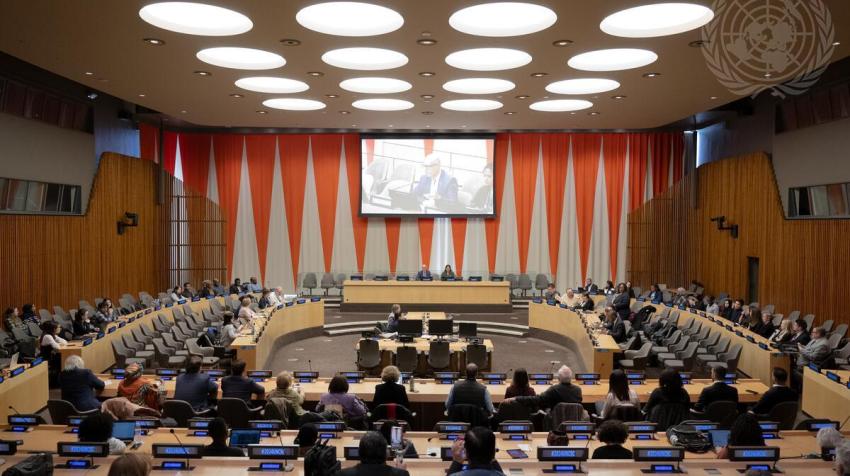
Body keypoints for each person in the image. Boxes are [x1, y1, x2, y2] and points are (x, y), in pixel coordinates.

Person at [507, 365, 582, 411]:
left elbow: (537, 399)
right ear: (571, 378)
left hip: (557, 422)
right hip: (575, 421)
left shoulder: (554, 389)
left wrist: (516, 398)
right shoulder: (578, 390)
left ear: (559, 378)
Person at [336, 431, 409, 476]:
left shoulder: (342, 474)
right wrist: (399, 471)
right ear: (386, 454)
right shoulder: (401, 474)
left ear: (359, 452)